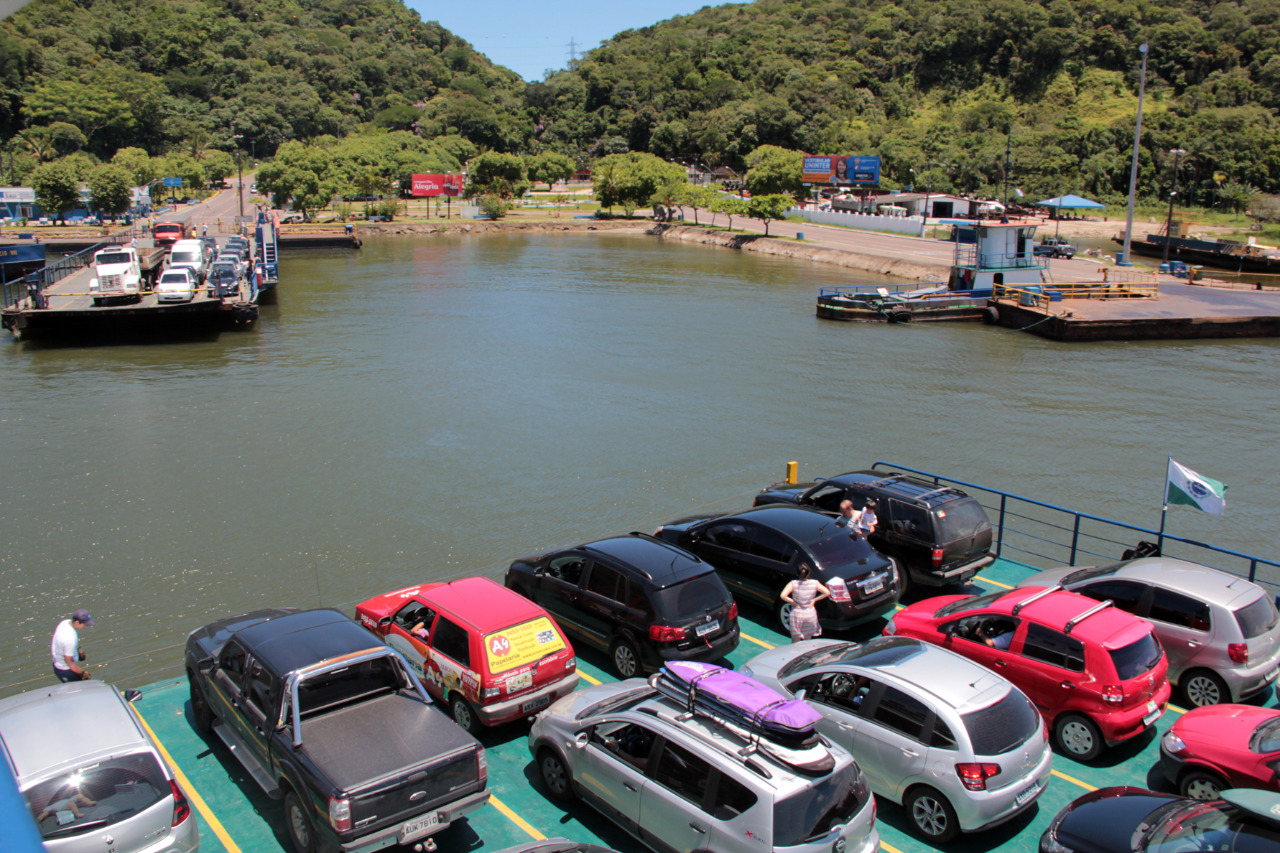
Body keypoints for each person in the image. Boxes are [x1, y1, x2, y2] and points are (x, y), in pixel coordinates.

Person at [781, 564, 830, 642]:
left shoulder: (793, 584)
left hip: (797, 615)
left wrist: (794, 602)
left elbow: (783, 596)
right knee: (807, 641)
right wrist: (814, 600)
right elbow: (827, 592)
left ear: (798, 573)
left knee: (795, 640)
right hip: (810, 614)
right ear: (809, 573)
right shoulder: (815, 583)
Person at [51, 609, 93, 682]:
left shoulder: (65, 622)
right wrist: (82, 673)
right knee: (80, 687)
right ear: (77, 622)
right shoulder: (69, 638)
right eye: (84, 624)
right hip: (66, 670)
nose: (85, 626)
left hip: (58, 662)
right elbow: (69, 661)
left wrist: (77, 650)